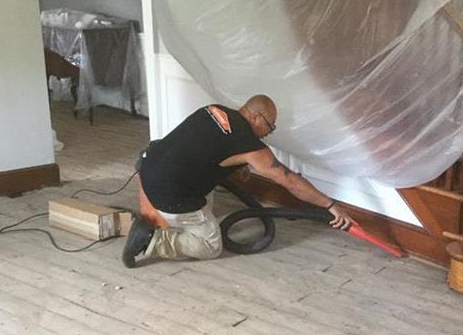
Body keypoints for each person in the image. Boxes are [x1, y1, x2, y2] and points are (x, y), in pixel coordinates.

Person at [122, 94, 354, 267]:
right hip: (169, 196)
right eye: (270, 125)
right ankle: (153, 240)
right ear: (256, 116)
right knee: (210, 246)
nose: (269, 132)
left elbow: (203, 149)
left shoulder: (214, 109)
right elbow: (290, 181)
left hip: (149, 169)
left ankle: (173, 220)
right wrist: (331, 206)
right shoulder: (249, 146)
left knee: (198, 182)